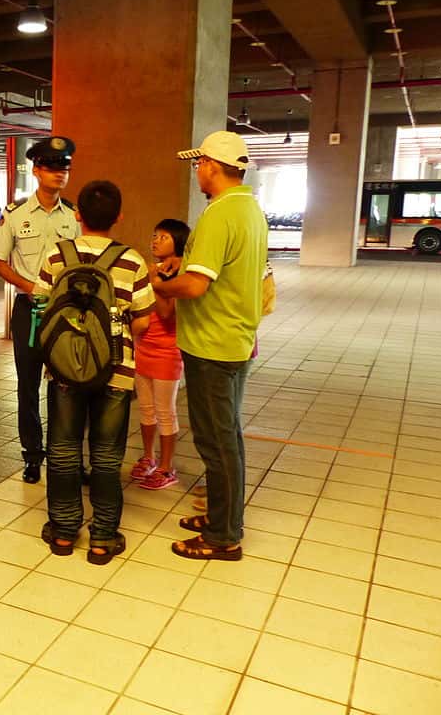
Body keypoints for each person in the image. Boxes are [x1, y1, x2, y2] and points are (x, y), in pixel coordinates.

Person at [149, 130, 267, 561]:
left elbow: (196, 285)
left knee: (218, 444)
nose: (196, 170)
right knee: (226, 437)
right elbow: (220, 268)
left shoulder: (219, 214)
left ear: (212, 165)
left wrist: (161, 286)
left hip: (213, 345)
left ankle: (223, 536)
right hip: (233, 338)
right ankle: (223, 519)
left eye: (198, 163)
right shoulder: (249, 208)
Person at [34, 180, 154, 565]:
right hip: (116, 372)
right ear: (118, 216)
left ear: (78, 215)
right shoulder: (133, 260)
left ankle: (64, 532)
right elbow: (144, 322)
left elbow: (41, 304)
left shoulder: (57, 255)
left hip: (64, 371)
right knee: (106, 454)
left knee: (64, 450)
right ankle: (103, 537)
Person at [0, 136, 79, 484]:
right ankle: (32, 455)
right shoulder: (15, 215)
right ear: (37, 170)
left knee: (66, 385)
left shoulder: (73, 215)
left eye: (65, 168)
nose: (61, 174)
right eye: (54, 168)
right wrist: (30, 287)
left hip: (64, 313)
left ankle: (64, 453)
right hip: (29, 311)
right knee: (27, 388)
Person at [130, 218, 191, 491]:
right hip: (144, 345)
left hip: (167, 351)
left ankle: (167, 467)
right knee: (145, 408)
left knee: (165, 411)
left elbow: (167, 314)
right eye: (155, 235)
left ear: (178, 242)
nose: (155, 241)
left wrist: (154, 280)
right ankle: (148, 456)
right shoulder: (152, 269)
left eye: (164, 237)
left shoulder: (180, 274)